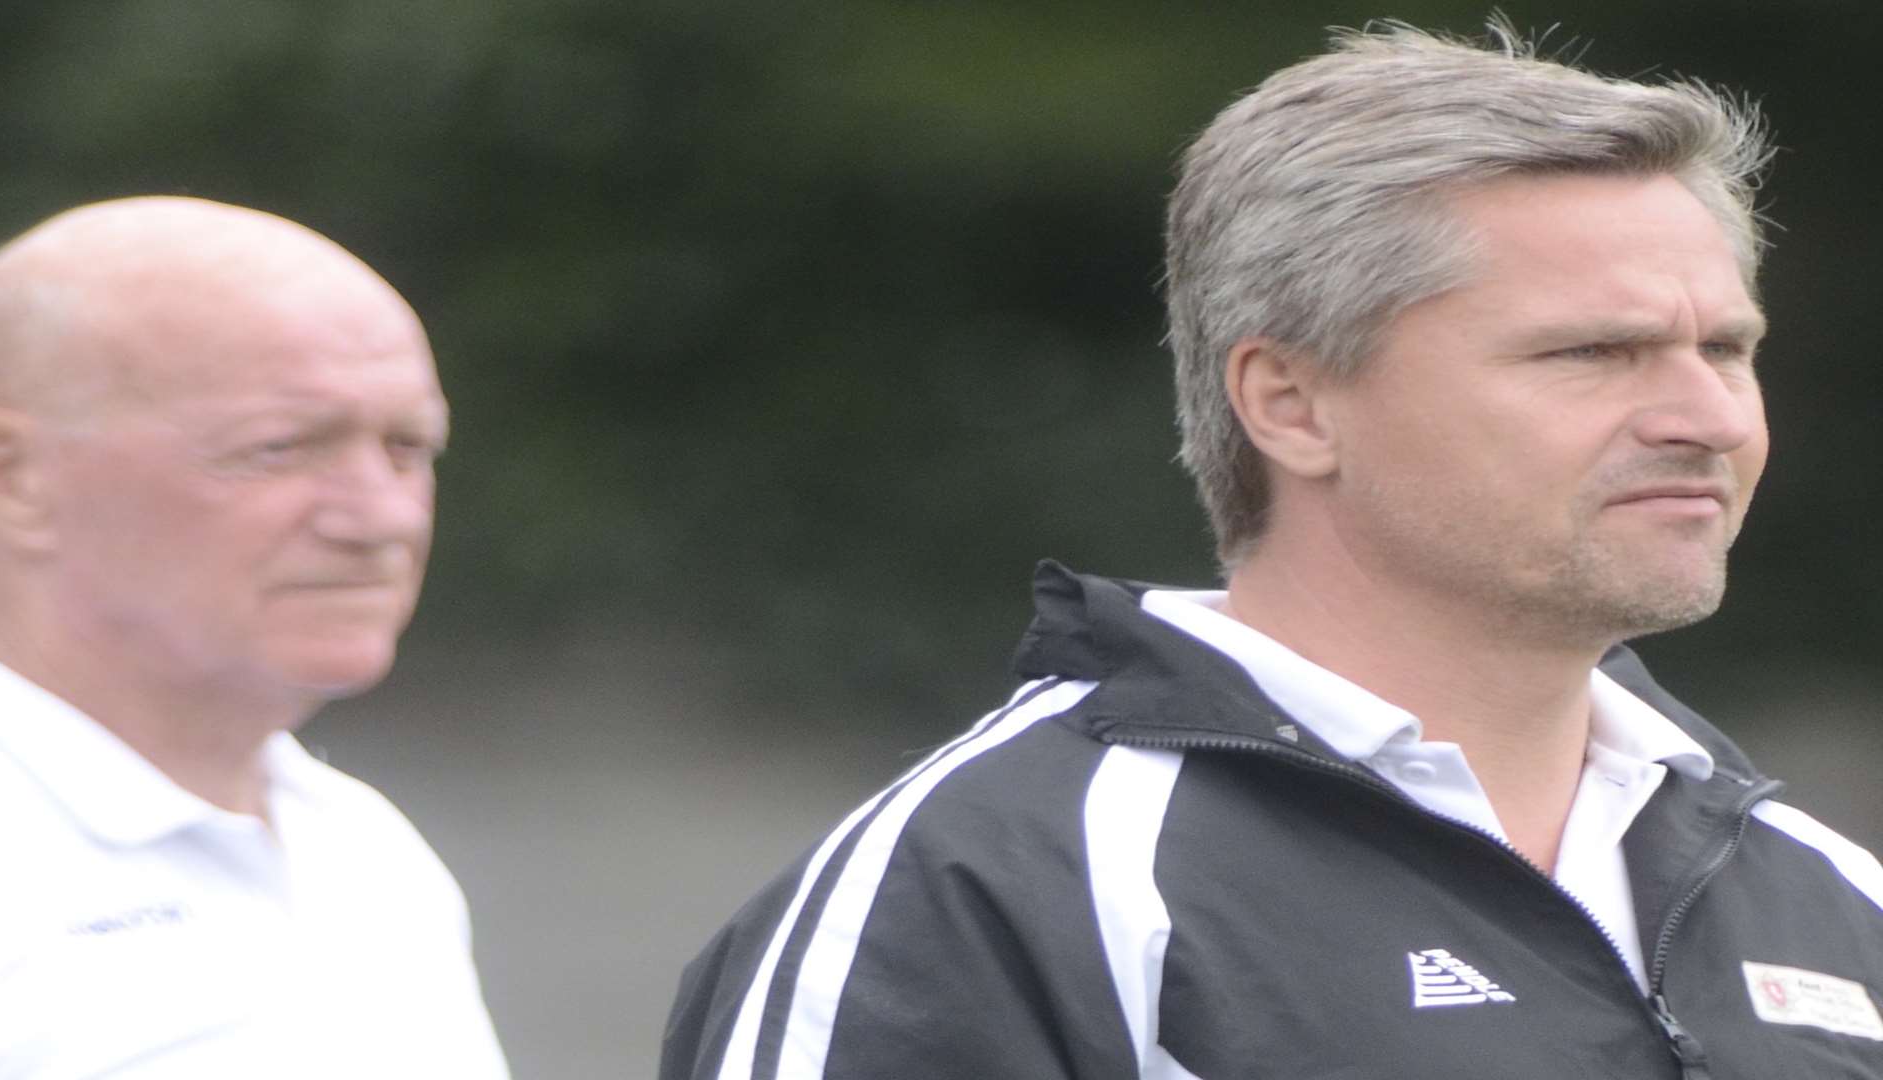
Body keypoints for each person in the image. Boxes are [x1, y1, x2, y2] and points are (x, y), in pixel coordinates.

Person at [660, 20, 1883, 1080]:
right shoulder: (998, 886)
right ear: (1291, 404)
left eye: (1726, 350)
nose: (1712, 419)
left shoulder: (1832, 894)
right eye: (1590, 354)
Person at [0, 197, 509, 1078]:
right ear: (11, 475)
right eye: (280, 447)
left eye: (408, 446)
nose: (381, 517)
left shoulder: (364, 850)